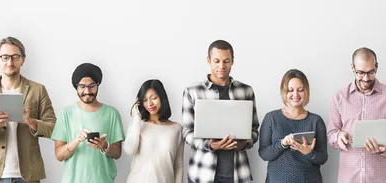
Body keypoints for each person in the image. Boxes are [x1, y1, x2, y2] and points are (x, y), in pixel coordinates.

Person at [0, 36, 57, 183]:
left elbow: (54, 127)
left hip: (28, 174)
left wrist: (30, 122)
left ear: (23, 59)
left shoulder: (38, 90)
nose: (10, 62)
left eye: (15, 57)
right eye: (5, 57)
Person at [182, 39, 259, 183]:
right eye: (216, 61)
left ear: (233, 61)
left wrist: (243, 143)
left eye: (226, 61)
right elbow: (187, 133)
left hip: (237, 174)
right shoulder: (192, 92)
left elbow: (254, 129)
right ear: (208, 60)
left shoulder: (246, 91)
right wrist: (210, 145)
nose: (221, 66)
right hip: (202, 174)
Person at [327, 47, 386, 183]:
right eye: (360, 73)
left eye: (371, 72)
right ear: (352, 68)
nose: (366, 78)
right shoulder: (339, 97)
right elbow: (331, 134)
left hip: (383, 178)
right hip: (349, 178)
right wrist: (339, 136)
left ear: (377, 66)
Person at [52, 62, 125, 183]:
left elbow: (117, 154)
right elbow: (59, 156)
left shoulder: (112, 113)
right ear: (76, 87)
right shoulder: (66, 114)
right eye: (82, 86)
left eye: (91, 86)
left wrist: (104, 146)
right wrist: (76, 141)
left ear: (98, 85)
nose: (87, 91)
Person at [259, 69, 328, 182]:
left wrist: (308, 153)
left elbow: (323, 158)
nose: (295, 94)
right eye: (290, 90)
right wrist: (282, 144)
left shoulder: (316, 120)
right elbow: (264, 154)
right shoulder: (271, 118)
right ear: (284, 92)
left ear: (306, 91)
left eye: (300, 90)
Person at [124, 79, 184, 183]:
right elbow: (129, 150)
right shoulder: (137, 125)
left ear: (162, 98)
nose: (149, 104)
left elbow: (178, 165)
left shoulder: (176, 129)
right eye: (145, 100)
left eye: (154, 98)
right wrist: (136, 119)